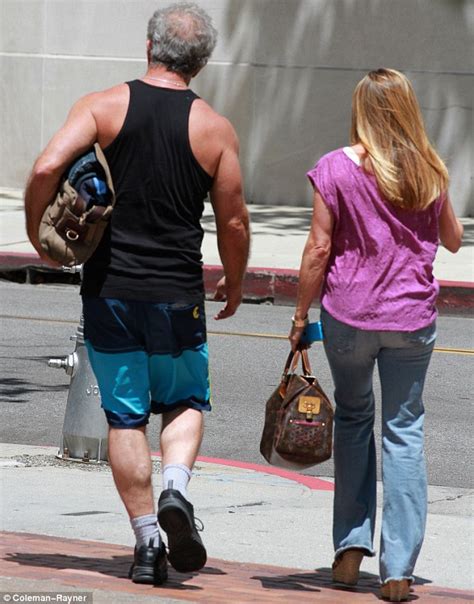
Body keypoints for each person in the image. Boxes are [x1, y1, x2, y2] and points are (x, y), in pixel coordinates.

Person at [25, 2, 250, 586]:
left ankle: (148, 540)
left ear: (149, 48)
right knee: (184, 403)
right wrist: (235, 276)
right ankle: (176, 490)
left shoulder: (101, 106)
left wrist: (36, 233)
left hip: (110, 289)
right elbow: (234, 223)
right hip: (178, 291)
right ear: (199, 64)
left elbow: (47, 165)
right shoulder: (214, 128)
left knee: (125, 418)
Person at [289, 68, 463, 602]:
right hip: (410, 322)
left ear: (361, 110)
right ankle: (397, 571)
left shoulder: (335, 168)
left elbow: (319, 249)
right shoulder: (430, 170)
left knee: (356, 420)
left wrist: (300, 318)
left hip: (349, 318)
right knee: (404, 431)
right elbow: (453, 240)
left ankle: (348, 551)